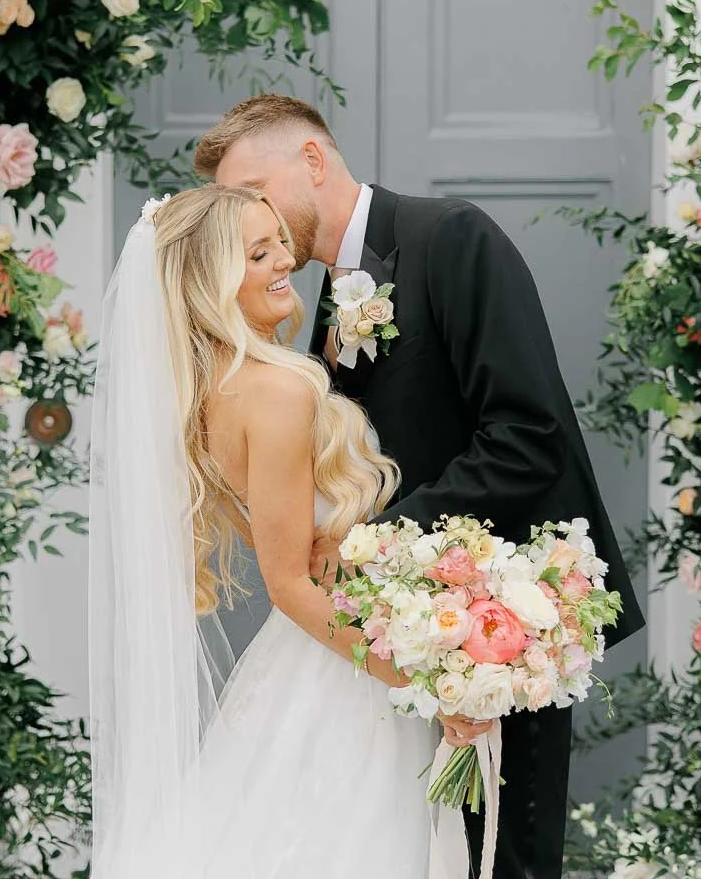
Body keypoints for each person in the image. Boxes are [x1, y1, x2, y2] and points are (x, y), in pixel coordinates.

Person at [196, 95, 645, 879]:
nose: (247, 219)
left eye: (253, 191)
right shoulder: (323, 301)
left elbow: (529, 435)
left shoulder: (450, 238)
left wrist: (369, 543)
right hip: (411, 638)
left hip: (502, 621)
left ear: (312, 160)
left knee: (503, 861)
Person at [87, 184, 486, 877]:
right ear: (210, 281)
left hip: (318, 655)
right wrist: (425, 682)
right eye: (258, 254)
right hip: (340, 674)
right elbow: (290, 582)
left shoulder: (212, 392)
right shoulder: (276, 390)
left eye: (279, 242)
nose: (285, 262)